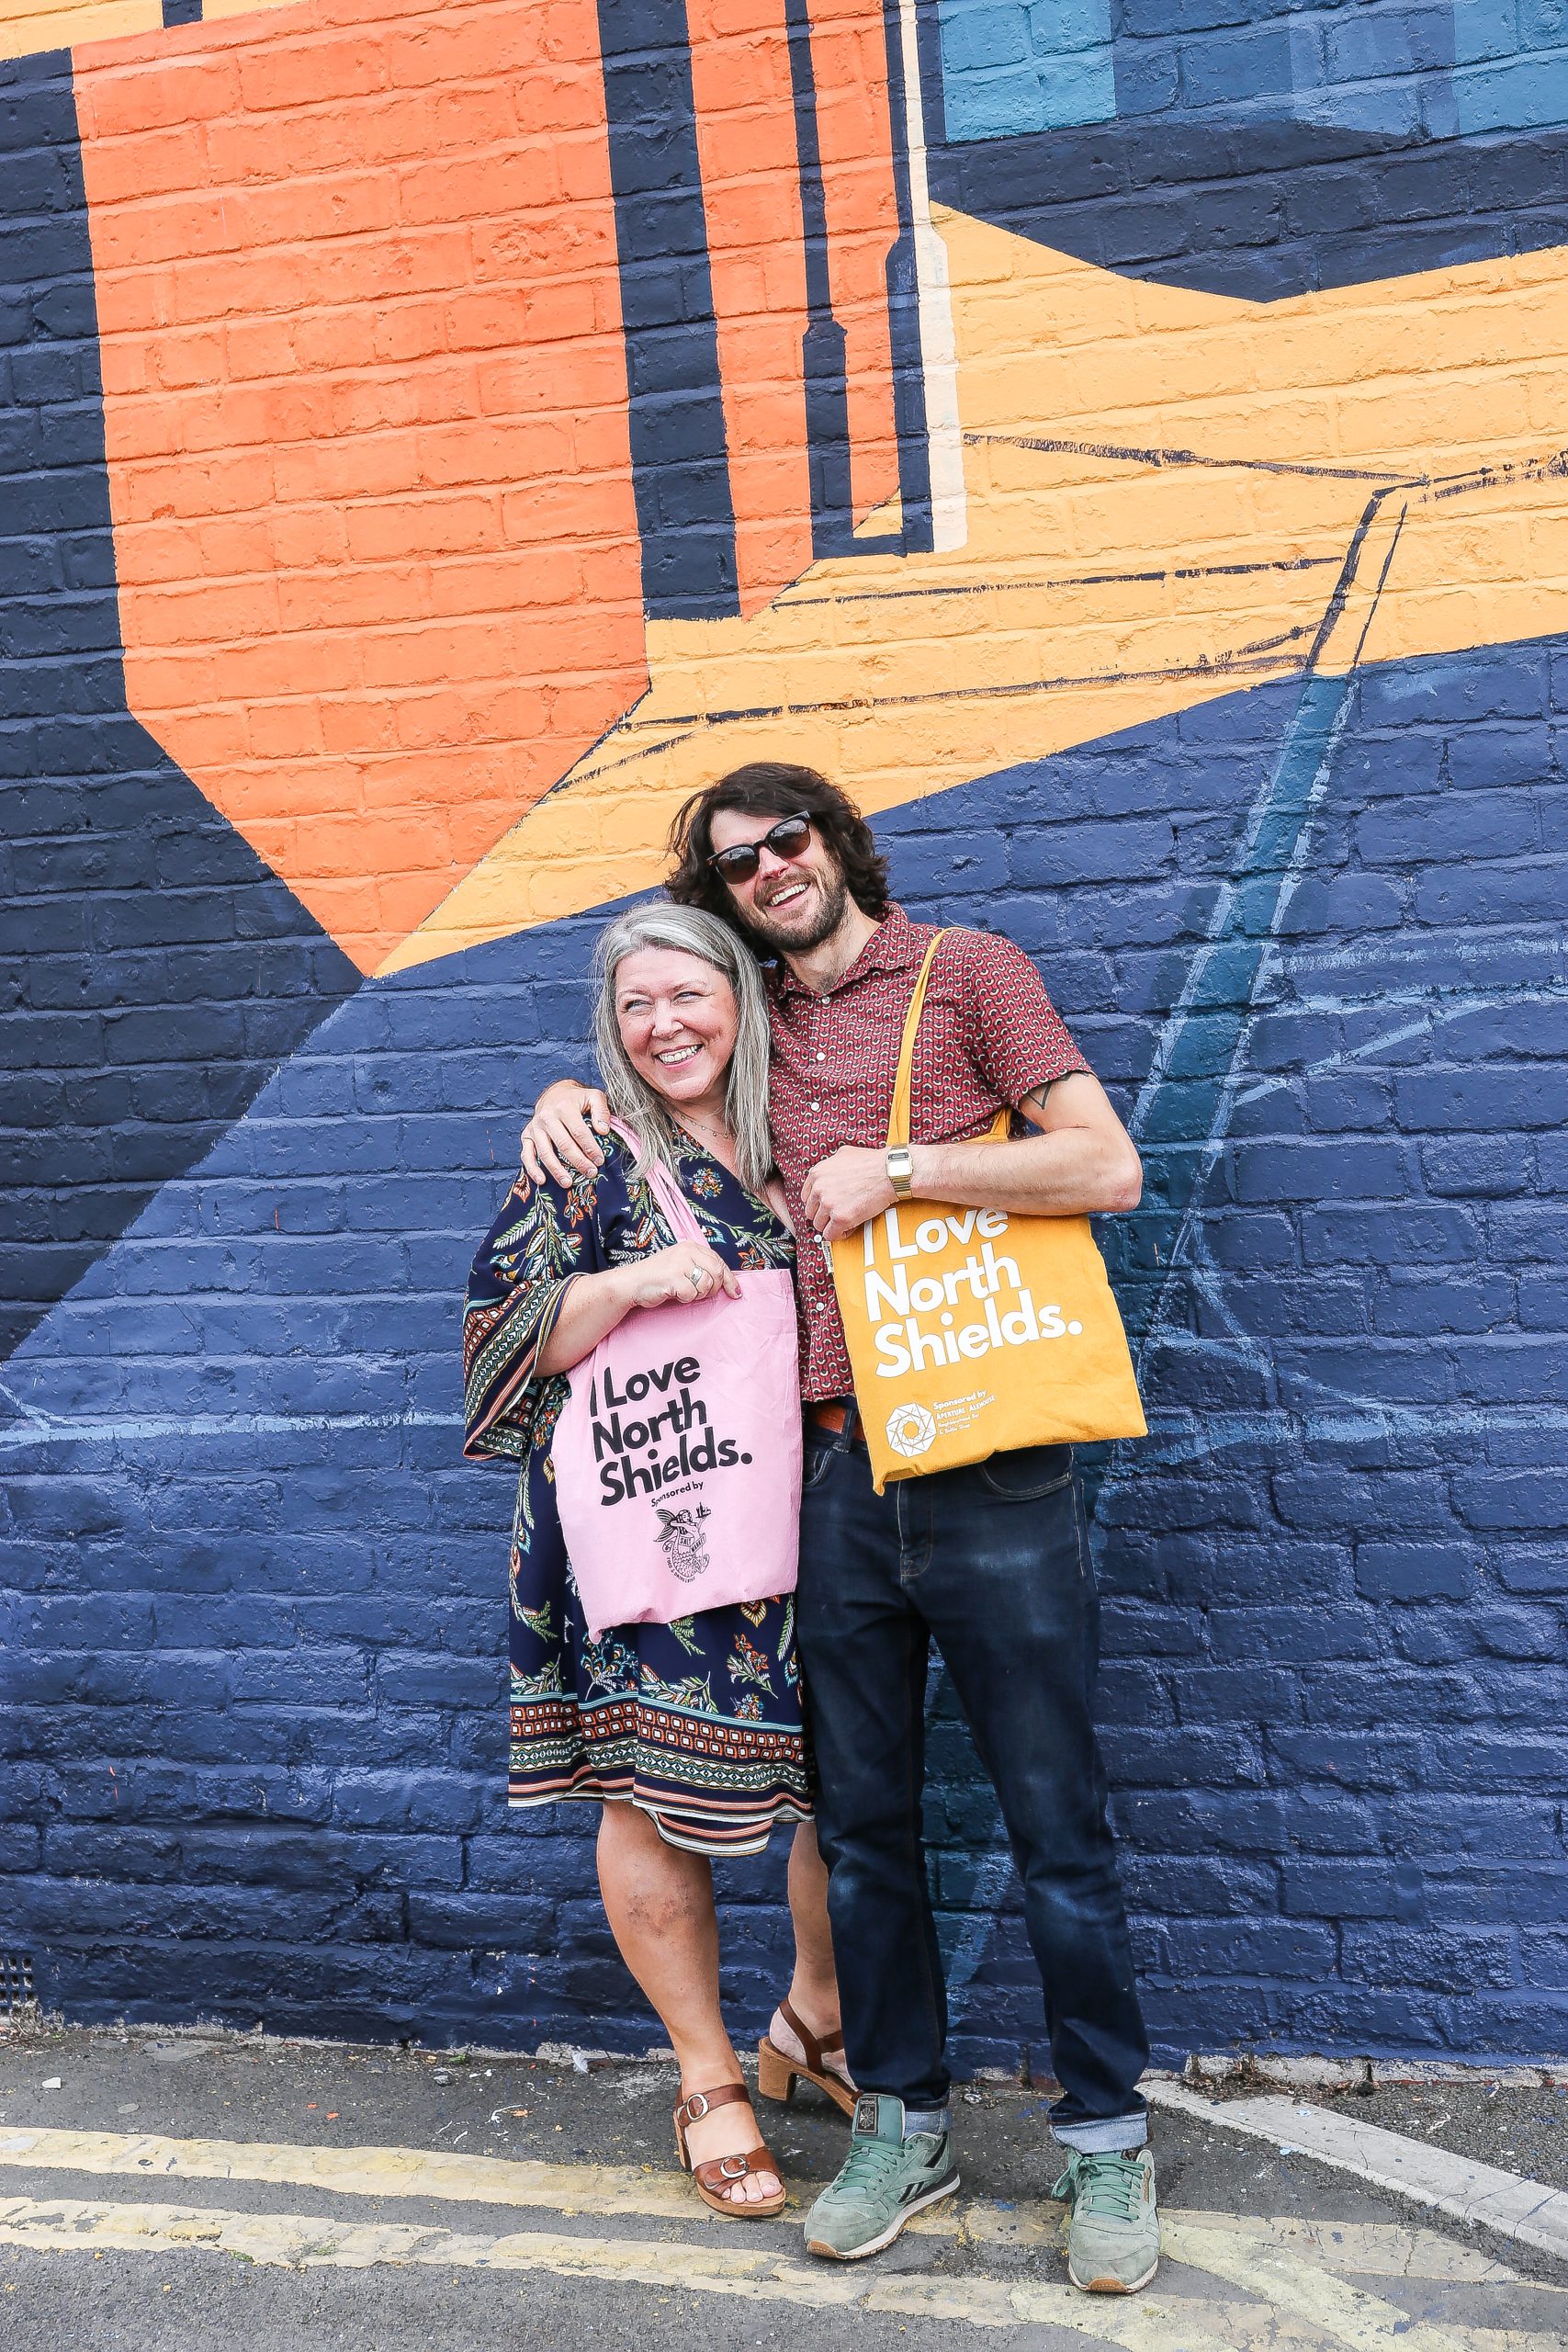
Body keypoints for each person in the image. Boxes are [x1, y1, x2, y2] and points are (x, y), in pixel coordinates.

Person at [521, 766, 1160, 2292]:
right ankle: (904, 2121)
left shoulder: (967, 973)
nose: (768, 869)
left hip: (989, 1461)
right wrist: (568, 1092)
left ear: (837, 842)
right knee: (861, 1838)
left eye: (786, 841)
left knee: (1053, 1824)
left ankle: (1108, 2144)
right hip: (816, 1479)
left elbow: (1107, 1166)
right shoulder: (743, 1024)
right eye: (736, 863)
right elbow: (651, 1075)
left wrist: (910, 1169)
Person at [464, 901, 853, 2223]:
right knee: (645, 1797)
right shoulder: (587, 1153)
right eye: (636, 1006)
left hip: (819, 1524)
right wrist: (628, 1286)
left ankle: (815, 2020)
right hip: (653, 1530)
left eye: (689, 995)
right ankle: (707, 2080)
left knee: (852, 1793)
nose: (664, 1024)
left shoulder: (804, 1134)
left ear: (745, 1000)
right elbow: (498, 1341)